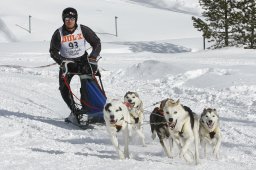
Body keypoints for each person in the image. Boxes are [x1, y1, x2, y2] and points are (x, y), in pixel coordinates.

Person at [49, 7, 101, 125]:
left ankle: (89, 109)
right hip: (67, 63)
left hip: (82, 61)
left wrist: (92, 57)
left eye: (72, 18)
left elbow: (96, 43)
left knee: (88, 85)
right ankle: (75, 111)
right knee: (63, 88)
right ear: (63, 19)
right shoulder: (58, 33)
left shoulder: (83, 29)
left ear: (75, 19)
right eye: (67, 18)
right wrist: (62, 62)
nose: (69, 20)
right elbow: (53, 51)